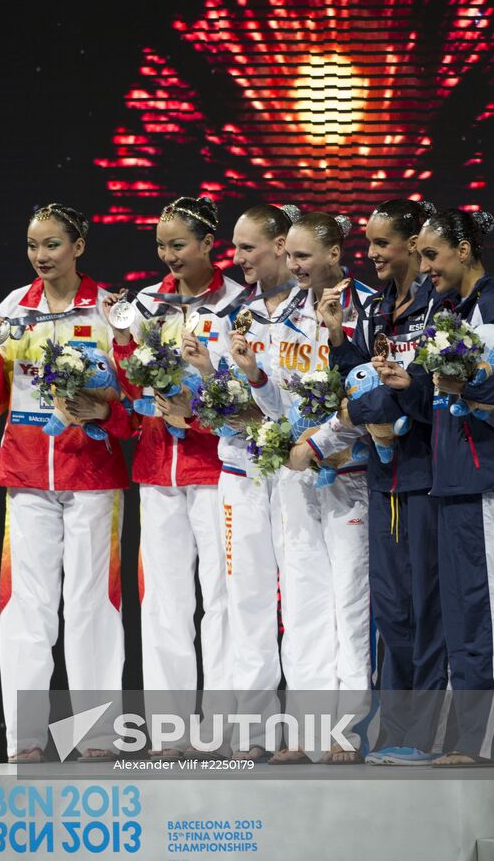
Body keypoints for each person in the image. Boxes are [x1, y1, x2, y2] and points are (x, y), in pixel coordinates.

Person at [376, 207, 494, 764]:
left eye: (432, 255)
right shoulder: (453, 311)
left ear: (466, 250)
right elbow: (440, 399)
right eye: (421, 256)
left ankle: (488, 744)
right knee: (461, 613)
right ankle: (464, 739)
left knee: (487, 613)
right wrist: (408, 384)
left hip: (483, 478)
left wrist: (476, 382)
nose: (423, 267)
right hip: (450, 479)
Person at [0, 203, 132, 763]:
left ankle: (96, 737)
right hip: (27, 474)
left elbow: (135, 406)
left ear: (79, 246)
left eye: (53, 244)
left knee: (92, 604)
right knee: (25, 609)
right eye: (34, 245)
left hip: (92, 473)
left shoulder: (111, 310)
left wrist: (100, 413)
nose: (41, 256)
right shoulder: (14, 308)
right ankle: (27, 740)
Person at [232, 211, 375, 764]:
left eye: (303, 257)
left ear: (335, 253)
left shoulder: (366, 309)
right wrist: (254, 375)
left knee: (350, 604)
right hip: (296, 477)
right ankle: (308, 731)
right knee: (304, 603)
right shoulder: (279, 316)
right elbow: (278, 408)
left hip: (352, 474)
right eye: (288, 257)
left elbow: (367, 399)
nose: (293, 267)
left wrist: (321, 443)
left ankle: (347, 729)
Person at [315, 198, 450, 765]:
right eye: (366, 244)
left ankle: (427, 733)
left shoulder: (438, 307)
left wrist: (384, 402)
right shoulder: (374, 311)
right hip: (383, 475)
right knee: (391, 611)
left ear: (414, 244)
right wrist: (337, 338)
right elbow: (361, 380)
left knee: (426, 608)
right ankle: (395, 730)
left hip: (424, 475)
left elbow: (423, 389)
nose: (369, 255)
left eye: (380, 245)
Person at [107, 195, 242, 757]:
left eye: (178, 244)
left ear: (210, 242)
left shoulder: (240, 301)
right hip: (157, 465)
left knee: (222, 596)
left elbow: (246, 383)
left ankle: (224, 727)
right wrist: (122, 346)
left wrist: (201, 413)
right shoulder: (145, 303)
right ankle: (169, 730)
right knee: (162, 599)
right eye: (161, 246)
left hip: (217, 467)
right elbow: (130, 381)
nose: (168, 256)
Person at [216, 203, 300, 760]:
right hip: (240, 470)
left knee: (300, 598)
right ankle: (253, 731)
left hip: (297, 470)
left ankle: (307, 731)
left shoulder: (314, 307)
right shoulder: (233, 312)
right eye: (236, 246)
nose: (238, 258)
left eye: (248, 248)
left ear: (279, 246)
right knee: (245, 599)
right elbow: (224, 392)